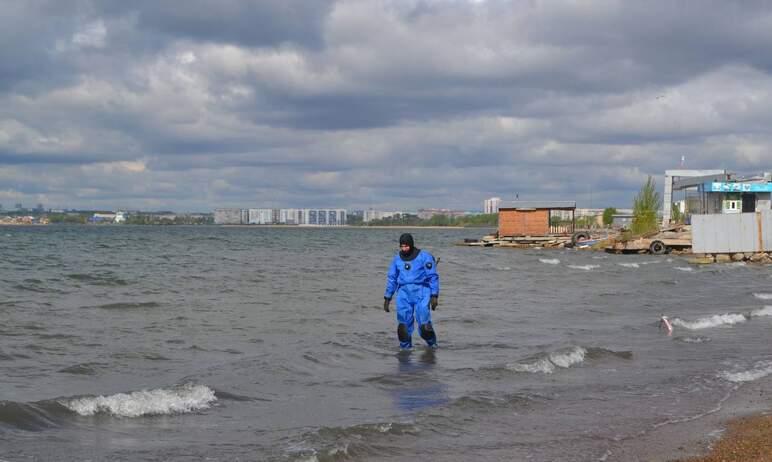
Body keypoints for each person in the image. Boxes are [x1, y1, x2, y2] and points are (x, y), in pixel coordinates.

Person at [383, 233, 440, 349]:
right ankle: (405, 352)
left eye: (406, 246)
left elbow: (433, 277)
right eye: (402, 246)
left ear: (411, 244)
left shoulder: (424, 257)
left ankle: (433, 346)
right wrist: (387, 297)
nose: (404, 249)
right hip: (403, 294)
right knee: (403, 327)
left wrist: (434, 295)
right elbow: (392, 278)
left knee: (424, 327)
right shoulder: (397, 259)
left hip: (422, 291)